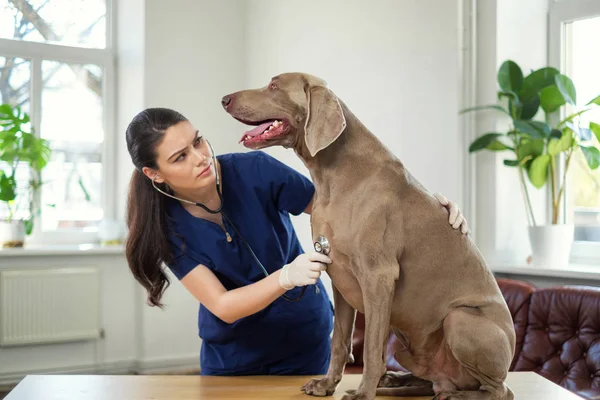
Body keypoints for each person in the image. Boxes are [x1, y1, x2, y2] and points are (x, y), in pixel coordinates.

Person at [124, 107, 469, 376]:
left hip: (305, 342)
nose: (200, 157)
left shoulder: (255, 171)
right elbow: (223, 306)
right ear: (154, 174)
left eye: (197, 141)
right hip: (233, 359)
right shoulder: (165, 227)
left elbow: (346, 210)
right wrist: (286, 277)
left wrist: (426, 213)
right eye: (180, 157)